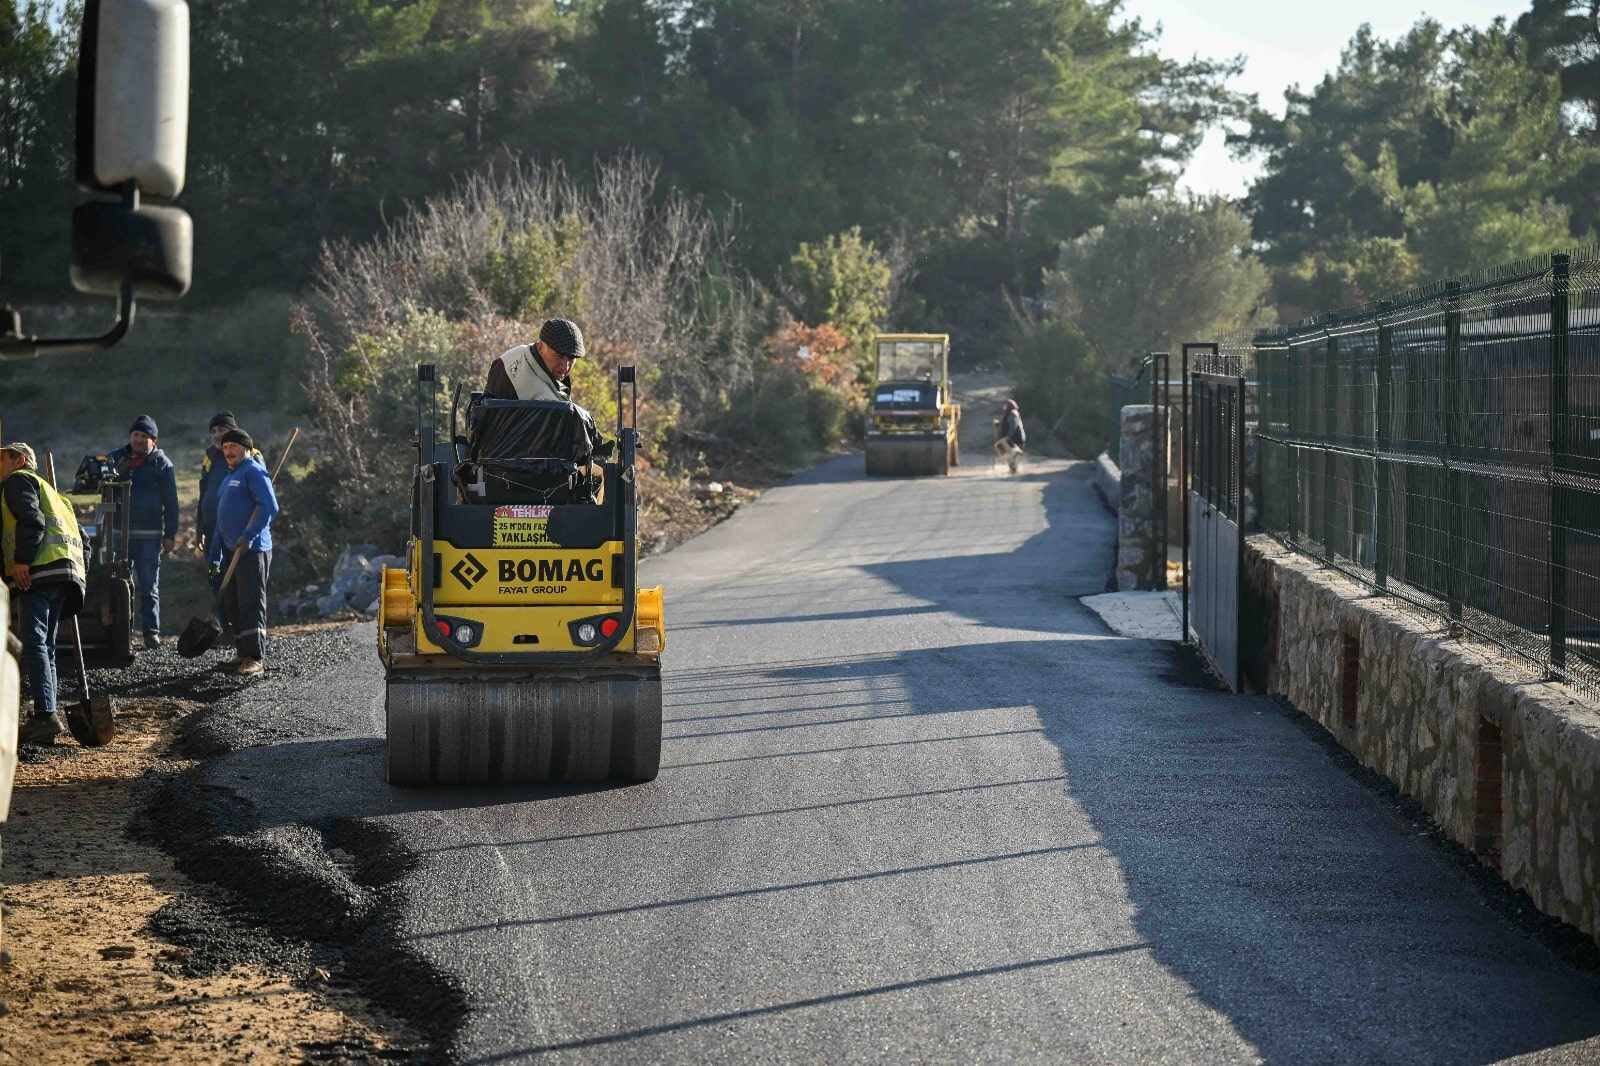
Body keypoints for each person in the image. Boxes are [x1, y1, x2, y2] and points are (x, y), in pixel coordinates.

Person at [1, 443, 86, 744]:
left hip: (38, 571)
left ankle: (45, 715)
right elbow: (83, 541)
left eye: (2, 457)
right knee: (46, 645)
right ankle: (47, 713)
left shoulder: (17, 481)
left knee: (35, 642)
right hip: (64, 576)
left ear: (20, 460)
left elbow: (31, 521)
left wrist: (22, 560)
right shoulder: (57, 496)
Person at [208, 429, 279, 676]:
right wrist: (215, 552)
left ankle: (255, 657)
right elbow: (221, 518)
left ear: (246, 449)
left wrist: (248, 535)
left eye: (233, 447)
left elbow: (269, 506)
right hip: (230, 549)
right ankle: (242, 652)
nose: (228, 452)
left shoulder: (253, 471)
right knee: (234, 603)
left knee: (251, 601)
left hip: (252, 549)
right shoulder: (230, 476)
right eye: (225, 447)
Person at [109, 415, 179, 648]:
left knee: (149, 585)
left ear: (154, 440)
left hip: (149, 535)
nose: (138, 440)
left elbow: (171, 502)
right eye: (135, 435)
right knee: (119, 583)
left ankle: (151, 632)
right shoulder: (116, 458)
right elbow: (100, 487)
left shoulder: (162, 464)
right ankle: (122, 631)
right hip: (120, 533)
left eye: (144, 436)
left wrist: (170, 534)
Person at [484, 317, 586, 401]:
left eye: (572, 358)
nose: (565, 366)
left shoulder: (518, 353)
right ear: (540, 346)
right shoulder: (545, 399)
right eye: (559, 356)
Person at [995, 399, 1026, 474]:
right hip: (1013, 438)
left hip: (1015, 439)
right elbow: (1006, 424)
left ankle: (1014, 470)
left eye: (1006, 406)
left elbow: (1013, 426)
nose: (1004, 408)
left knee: (1009, 453)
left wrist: (1008, 438)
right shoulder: (1011, 414)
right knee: (1006, 452)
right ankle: (1013, 470)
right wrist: (999, 425)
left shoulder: (1013, 414)